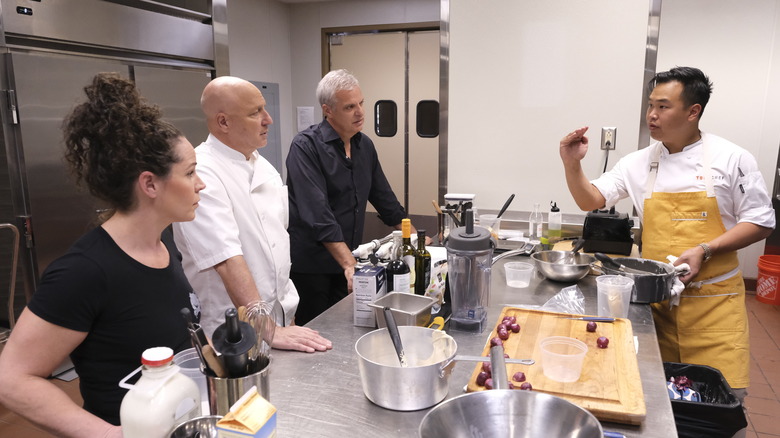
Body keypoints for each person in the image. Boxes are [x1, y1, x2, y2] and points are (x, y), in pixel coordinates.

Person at [0, 73, 205, 437]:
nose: (200, 184)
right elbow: (12, 378)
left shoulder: (163, 244)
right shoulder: (86, 271)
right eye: (190, 173)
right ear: (150, 184)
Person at [559, 67, 775, 407]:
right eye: (650, 106)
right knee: (654, 397)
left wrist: (706, 249)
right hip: (655, 306)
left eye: (663, 106)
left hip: (714, 308)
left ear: (693, 111)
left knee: (718, 406)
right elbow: (590, 200)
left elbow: (761, 221)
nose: (652, 116)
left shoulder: (732, 159)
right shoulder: (639, 162)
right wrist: (572, 164)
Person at [172, 76, 332, 352]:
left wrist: (286, 313)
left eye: (264, 109)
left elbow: (277, 245)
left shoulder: (263, 166)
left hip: (278, 323)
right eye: (255, 112)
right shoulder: (204, 173)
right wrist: (268, 328)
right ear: (223, 122)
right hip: (233, 331)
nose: (268, 119)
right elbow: (225, 259)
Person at [286, 69, 412, 325]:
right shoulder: (305, 147)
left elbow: (383, 196)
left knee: (348, 326)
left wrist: (414, 236)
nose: (360, 112)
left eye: (361, 103)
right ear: (328, 110)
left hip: (348, 261)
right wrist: (348, 263)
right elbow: (318, 214)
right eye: (349, 107)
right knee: (318, 332)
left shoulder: (363, 145)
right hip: (313, 267)